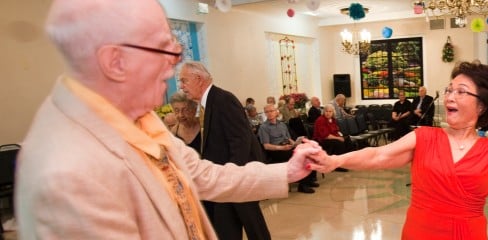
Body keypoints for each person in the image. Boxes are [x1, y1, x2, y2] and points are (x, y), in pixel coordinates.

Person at [16, 1, 320, 239]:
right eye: (164, 50)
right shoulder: (68, 175)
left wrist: (287, 171)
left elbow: (201, 175)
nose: (172, 69)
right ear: (114, 62)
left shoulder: (138, 118)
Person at [307, 60, 488, 239]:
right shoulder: (425, 137)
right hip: (419, 232)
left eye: (461, 91)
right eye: (449, 89)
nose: (450, 96)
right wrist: (334, 159)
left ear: (482, 106)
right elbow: (378, 154)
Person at [179, 61, 272, 239]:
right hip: (223, 178)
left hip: (237, 177)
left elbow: (241, 139)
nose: (181, 86)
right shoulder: (206, 103)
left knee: (254, 226)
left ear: (198, 79)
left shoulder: (223, 99)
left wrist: (231, 174)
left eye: (184, 81)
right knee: (225, 227)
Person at [258, 104, 317, 193]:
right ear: (265, 114)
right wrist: (281, 148)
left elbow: (288, 138)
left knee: (308, 152)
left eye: (271, 111)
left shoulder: (282, 125)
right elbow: (266, 146)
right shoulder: (264, 127)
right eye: (267, 112)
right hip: (276, 151)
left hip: (287, 147)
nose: (269, 113)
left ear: (276, 111)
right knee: (300, 156)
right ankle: (303, 185)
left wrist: (295, 144)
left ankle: (309, 179)